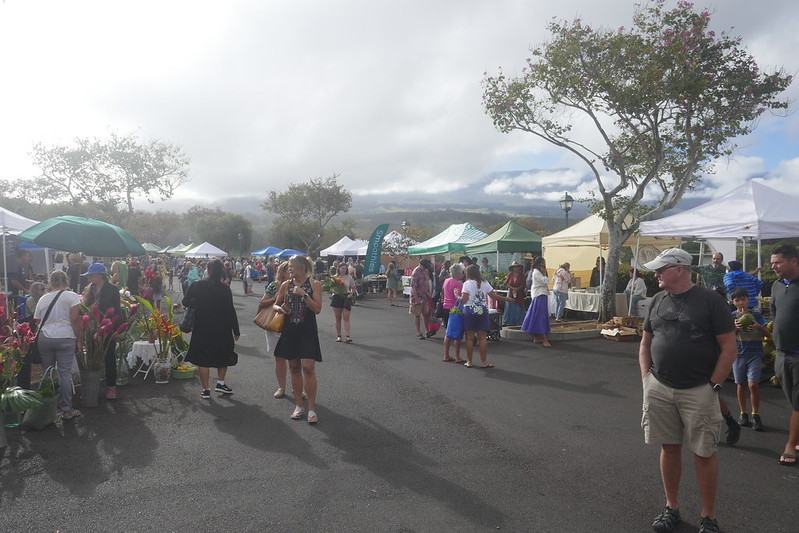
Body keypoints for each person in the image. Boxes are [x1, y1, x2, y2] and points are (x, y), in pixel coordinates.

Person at [638, 248, 736, 533]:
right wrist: (646, 378)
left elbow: (729, 348)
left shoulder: (710, 301)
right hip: (659, 385)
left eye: (661, 269)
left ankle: (708, 516)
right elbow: (645, 343)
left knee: (704, 453)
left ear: (679, 269)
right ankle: (672, 507)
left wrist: (714, 385)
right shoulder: (657, 299)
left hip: (699, 389)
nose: (656, 274)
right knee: (669, 447)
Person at [273, 255, 323, 424]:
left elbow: (317, 309)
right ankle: (299, 405)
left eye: (292, 267)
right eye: (288, 268)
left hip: (307, 330)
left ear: (303, 266)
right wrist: (281, 309)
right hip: (290, 330)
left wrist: (304, 295)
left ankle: (312, 409)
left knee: (308, 368)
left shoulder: (315, 285)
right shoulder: (286, 285)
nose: (290, 270)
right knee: (294, 367)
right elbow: (275, 304)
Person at [182, 258, 240, 399]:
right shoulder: (224, 288)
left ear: (207, 269)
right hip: (222, 327)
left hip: (202, 326)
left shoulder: (196, 285)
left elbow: (185, 301)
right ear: (221, 271)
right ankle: (220, 383)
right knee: (223, 355)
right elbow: (230, 310)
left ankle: (206, 389)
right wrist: (236, 330)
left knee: (203, 358)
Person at [34, 270, 82, 419]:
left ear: (50, 282)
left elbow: (37, 320)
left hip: (45, 337)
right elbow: (74, 319)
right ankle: (66, 409)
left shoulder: (43, 298)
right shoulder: (72, 296)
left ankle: (44, 409)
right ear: (66, 281)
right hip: (65, 336)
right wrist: (79, 339)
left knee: (46, 373)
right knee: (64, 374)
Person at [769, 244, 799, 466]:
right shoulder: (776, 286)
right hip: (781, 353)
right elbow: (774, 313)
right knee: (792, 400)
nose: (774, 267)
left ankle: (790, 445)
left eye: (778, 262)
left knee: (798, 403)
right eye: (772, 263)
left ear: (794, 261)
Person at [729, 287, 770, 432]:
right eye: (737, 300)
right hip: (738, 355)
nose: (741, 302)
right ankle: (743, 412)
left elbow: (769, 334)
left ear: (748, 299)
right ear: (733, 302)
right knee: (741, 384)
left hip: (755, 354)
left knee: (753, 385)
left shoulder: (756, 315)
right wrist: (734, 328)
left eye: (743, 299)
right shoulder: (732, 317)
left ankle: (755, 414)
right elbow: (727, 336)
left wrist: (758, 327)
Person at [457, 264, 511, 368]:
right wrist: (506, 299)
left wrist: (457, 297)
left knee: (469, 338)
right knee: (482, 338)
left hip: (469, 311)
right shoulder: (484, 283)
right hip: (482, 311)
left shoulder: (467, 284)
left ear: (468, 274)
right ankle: (483, 362)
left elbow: (464, 300)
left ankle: (469, 361)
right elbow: (494, 296)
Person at [81, 263, 122, 400]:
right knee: (93, 357)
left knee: (108, 356)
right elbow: (85, 309)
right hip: (91, 329)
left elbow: (117, 310)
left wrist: (116, 330)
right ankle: (94, 385)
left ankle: (111, 386)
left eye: (92, 275)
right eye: (90, 275)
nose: (90, 278)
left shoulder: (112, 290)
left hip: (107, 328)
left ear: (101, 275)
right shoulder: (89, 290)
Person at [259, 261, 294, 398]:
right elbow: (262, 302)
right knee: (279, 358)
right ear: (282, 272)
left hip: (292, 325)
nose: (292, 272)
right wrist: (276, 299)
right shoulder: (275, 286)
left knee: (294, 359)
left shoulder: (298, 285)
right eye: (289, 270)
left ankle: (297, 387)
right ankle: (281, 387)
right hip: (275, 324)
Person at [521, 256, 552, 346]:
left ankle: (537, 337)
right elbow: (544, 282)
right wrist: (545, 274)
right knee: (540, 316)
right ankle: (544, 339)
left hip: (541, 294)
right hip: (540, 295)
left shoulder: (537, 272)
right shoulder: (537, 272)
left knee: (538, 316)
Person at [442, 263, 464, 363]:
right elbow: (461, 299)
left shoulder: (446, 281)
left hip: (445, 307)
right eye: (462, 272)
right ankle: (457, 356)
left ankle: (446, 355)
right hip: (454, 309)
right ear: (458, 274)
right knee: (457, 334)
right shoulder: (459, 284)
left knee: (448, 333)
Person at [330, 264, 356, 343]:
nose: (344, 270)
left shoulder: (349, 277)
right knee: (338, 318)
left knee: (346, 317)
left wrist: (351, 294)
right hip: (337, 296)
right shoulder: (334, 277)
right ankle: (339, 335)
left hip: (346, 296)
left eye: (345, 268)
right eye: (342, 268)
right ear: (339, 268)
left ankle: (348, 336)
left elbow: (353, 287)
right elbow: (331, 288)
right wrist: (334, 291)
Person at [409, 258, 432, 340]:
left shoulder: (425, 271)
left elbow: (427, 282)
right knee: (417, 314)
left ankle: (427, 330)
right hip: (417, 296)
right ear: (420, 265)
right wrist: (416, 298)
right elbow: (413, 287)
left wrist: (429, 292)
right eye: (424, 266)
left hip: (425, 295)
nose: (425, 268)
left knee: (426, 314)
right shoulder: (415, 273)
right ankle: (418, 332)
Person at [503, 261, 526, 326]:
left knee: (519, 306)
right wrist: (512, 288)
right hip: (511, 292)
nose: (516, 268)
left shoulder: (522, 275)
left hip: (519, 293)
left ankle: (519, 320)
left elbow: (524, 284)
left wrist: (517, 288)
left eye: (517, 267)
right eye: (515, 267)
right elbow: (506, 283)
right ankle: (508, 321)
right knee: (509, 307)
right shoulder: (510, 274)